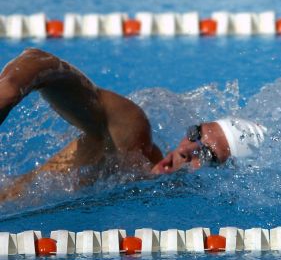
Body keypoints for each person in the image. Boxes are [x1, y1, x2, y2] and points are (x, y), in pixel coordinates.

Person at [0, 48, 266, 201]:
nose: (186, 151)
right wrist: (9, 91)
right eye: (195, 134)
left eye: (207, 154)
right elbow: (37, 59)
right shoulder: (129, 141)